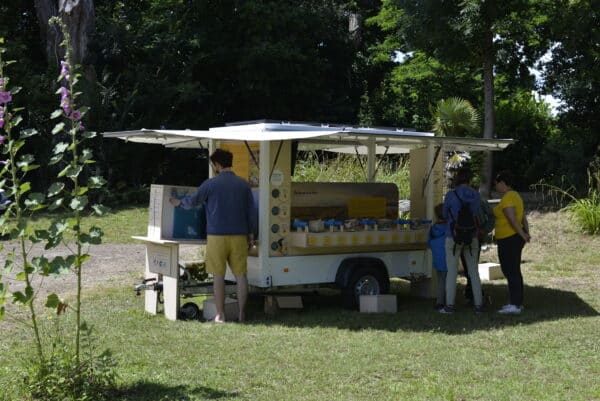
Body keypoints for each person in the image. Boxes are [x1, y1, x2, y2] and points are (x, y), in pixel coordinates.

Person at [169, 149, 256, 322]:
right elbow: (251, 212)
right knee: (241, 276)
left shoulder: (210, 184)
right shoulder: (243, 184)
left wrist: (179, 203)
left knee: (218, 276)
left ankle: (220, 314)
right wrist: (251, 235)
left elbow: (193, 201)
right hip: (239, 235)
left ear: (217, 165)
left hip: (216, 236)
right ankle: (241, 314)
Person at [440, 168, 484, 314]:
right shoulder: (476, 195)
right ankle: (478, 305)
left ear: (457, 180)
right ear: (469, 181)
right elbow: (477, 214)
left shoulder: (451, 195)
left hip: (453, 236)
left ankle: (450, 306)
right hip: (472, 237)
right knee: (473, 272)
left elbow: (445, 213)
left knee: (451, 272)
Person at [493, 170, 530, 314]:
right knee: (513, 270)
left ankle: (515, 304)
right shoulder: (515, 195)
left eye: (496, 184)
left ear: (502, 183)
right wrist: (526, 233)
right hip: (513, 238)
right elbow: (523, 217)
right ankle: (516, 302)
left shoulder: (508, 197)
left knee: (511, 270)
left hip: (509, 239)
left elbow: (512, 219)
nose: (495, 187)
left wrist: (523, 234)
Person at [461, 193, 495, 305]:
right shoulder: (480, 199)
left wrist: (484, 230)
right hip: (473, 236)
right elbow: (491, 216)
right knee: (471, 268)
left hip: (468, 237)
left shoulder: (457, 197)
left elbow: (491, 216)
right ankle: (474, 294)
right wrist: (484, 230)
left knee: (470, 268)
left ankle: (474, 295)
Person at [428, 203, 447, 311]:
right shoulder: (448, 229)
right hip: (446, 259)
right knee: (446, 281)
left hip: (437, 259)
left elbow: (429, 243)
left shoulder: (433, 229)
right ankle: (445, 302)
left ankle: (440, 301)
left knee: (440, 280)